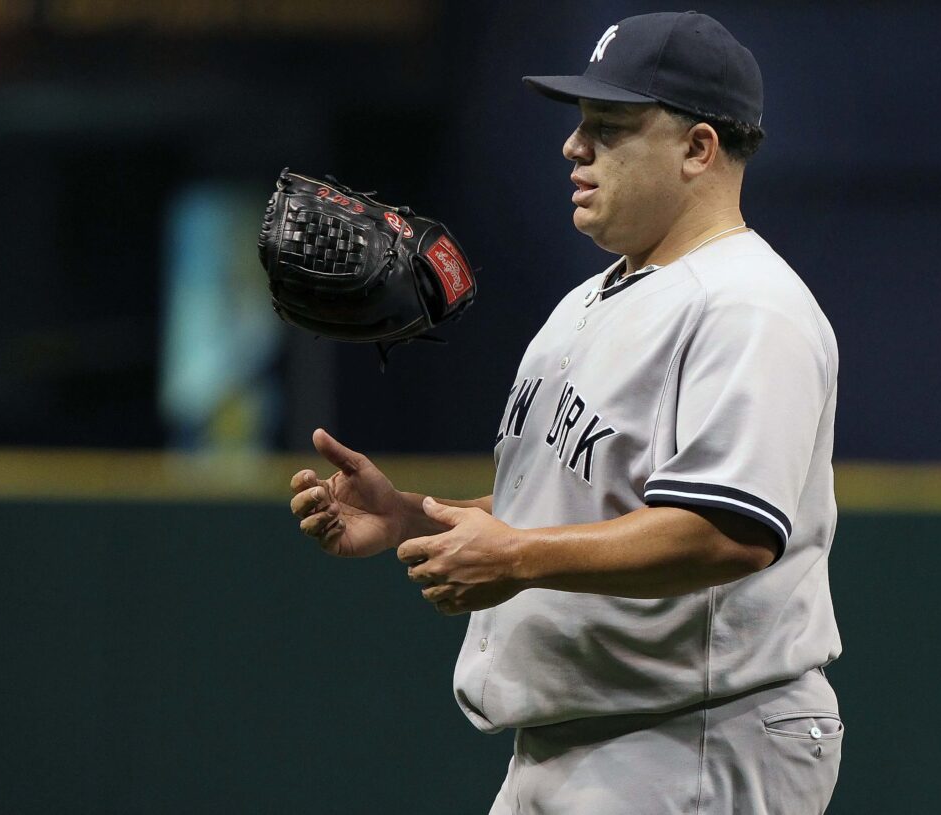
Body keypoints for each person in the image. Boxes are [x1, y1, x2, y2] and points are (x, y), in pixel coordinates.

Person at [289, 11, 843, 814]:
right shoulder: (594, 298)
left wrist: (514, 557)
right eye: (580, 122)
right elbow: (574, 503)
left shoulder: (750, 306)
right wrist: (413, 517)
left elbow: (731, 530)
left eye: (611, 126)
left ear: (699, 149)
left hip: (697, 739)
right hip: (589, 739)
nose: (574, 147)